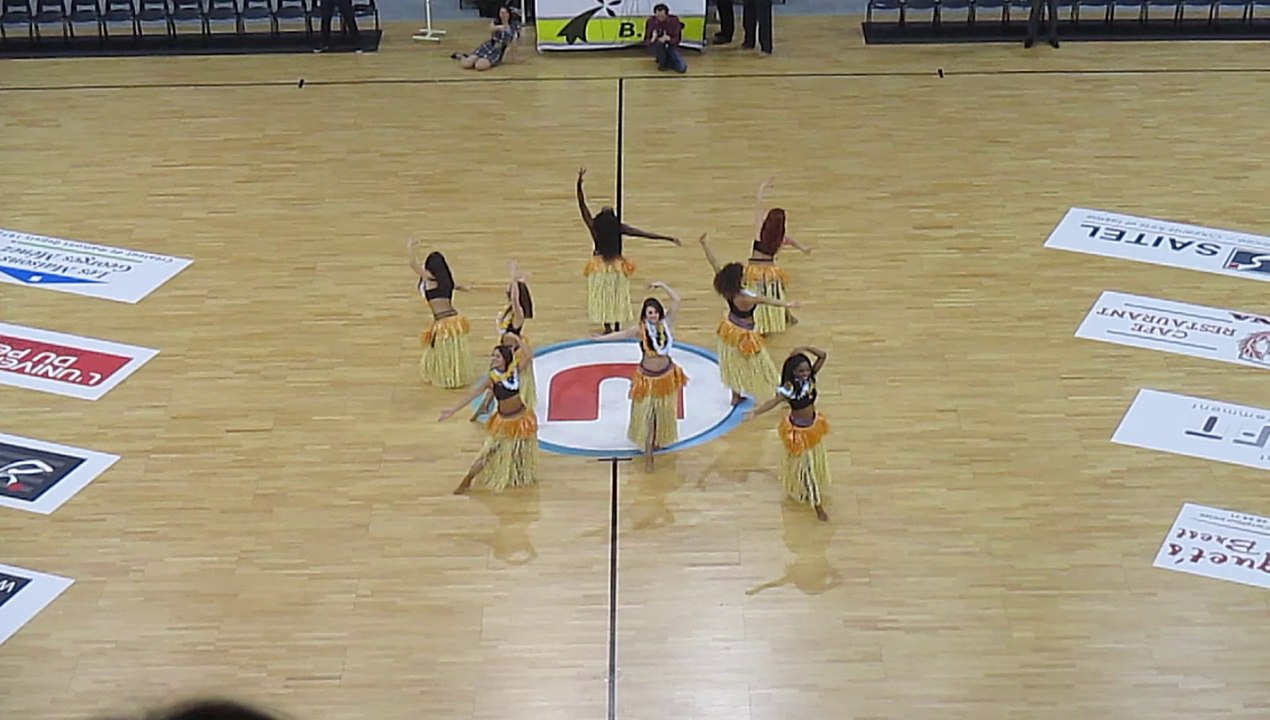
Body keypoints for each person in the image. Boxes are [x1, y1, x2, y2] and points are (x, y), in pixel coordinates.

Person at [590, 281, 687, 472]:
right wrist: (599, 339)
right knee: (648, 417)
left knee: (660, 415)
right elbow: (621, 335)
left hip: (665, 377)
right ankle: (649, 457)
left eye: (656, 312)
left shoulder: (666, 324)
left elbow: (677, 299)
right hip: (647, 379)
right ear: (645, 314)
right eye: (650, 312)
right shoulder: (640, 330)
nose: (653, 315)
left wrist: (662, 285)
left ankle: (656, 442)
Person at [577, 167, 682, 334]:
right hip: (616, 265)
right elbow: (644, 234)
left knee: (604, 296)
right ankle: (614, 324)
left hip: (600, 265)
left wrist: (579, 186)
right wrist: (667, 238)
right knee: (615, 295)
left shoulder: (594, 227)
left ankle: (608, 327)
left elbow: (583, 208)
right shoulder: (619, 227)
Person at [699, 233, 795, 406]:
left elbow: (714, 263)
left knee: (733, 364)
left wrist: (705, 245)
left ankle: (736, 396)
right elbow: (766, 300)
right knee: (763, 363)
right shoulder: (746, 298)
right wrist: (787, 304)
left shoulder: (728, 290)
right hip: (745, 335)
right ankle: (778, 390)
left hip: (729, 331)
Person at [438, 338, 538, 494]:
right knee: (488, 451)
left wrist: (518, 340)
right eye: (493, 356)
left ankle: (517, 474)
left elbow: (529, 355)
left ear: (505, 359)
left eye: (497, 356)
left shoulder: (515, 371)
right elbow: (472, 394)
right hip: (504, 422)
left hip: (521, 419)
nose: (494, 359)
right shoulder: (492, 379)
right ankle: (468, 478)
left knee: (519, 449)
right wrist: (453, 410)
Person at [746, 347, 830, 521]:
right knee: (807, 468)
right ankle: (817, 505)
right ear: (793, 372)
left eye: (807, 370)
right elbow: (774, 401)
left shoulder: (811, 378)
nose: (805, 373)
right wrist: (756, 412)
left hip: (812, 427)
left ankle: (807, 488)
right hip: (798, 433)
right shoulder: (789, 388)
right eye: (801, 371)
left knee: (810, 465)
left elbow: (823, 355)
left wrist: (804, 348)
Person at [746, 178, 812, 335]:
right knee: (778, 294)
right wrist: (804, 249)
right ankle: (786, 317)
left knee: (755, 297)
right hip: (770, 274)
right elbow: (792, 241)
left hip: (754, 272)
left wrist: (762, 188)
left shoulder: (760, 231)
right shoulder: (779, 239)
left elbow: (758, 205)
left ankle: (756, 321)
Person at [472, 262, 536, 420]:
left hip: (511, 355)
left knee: (498, 379)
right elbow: (514, 296)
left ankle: (489, 405)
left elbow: (515, 297)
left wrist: (513, 276)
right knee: (494, 378)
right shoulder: (509, 310)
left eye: (511, 286)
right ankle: (486, 404)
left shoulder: (518, 313)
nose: (507, 287)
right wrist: (520, 279)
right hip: (502, 350)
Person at [408, 240, 474, 389]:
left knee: (442, 352)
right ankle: (452, 377)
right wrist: (465, 288)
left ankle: (448, 377)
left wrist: (410, 247)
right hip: (454, 320)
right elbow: (455, 285)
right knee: (449, 352)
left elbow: (412, 264)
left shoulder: (430, 277)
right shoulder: (445, 280)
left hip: (443, 323)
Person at [452, 5, 520, 71]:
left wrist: (515, 58)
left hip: (497, 51)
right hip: (489, 46)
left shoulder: (513, 26)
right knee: (466, 64)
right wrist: (498, 27)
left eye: (505, 13)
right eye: (502, 13)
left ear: (509, 14)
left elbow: (513, 43)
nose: (503, 15)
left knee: (479, 66)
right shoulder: (496, 22)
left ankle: (478, 60)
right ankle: (462, 56)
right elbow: (490, 29)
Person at [644, 4, 687, 73]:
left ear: (667, 15)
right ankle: (663, 62)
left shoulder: (674, 21)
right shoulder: (651, 21)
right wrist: (653, 39)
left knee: (681, 68)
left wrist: (668, 39)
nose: (660, 19)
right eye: (658, 16)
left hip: (671, 45)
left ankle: (669, 59)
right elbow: (646, 41)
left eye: (662, 17)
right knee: (659, 44)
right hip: (658, 46)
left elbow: (677, 39)